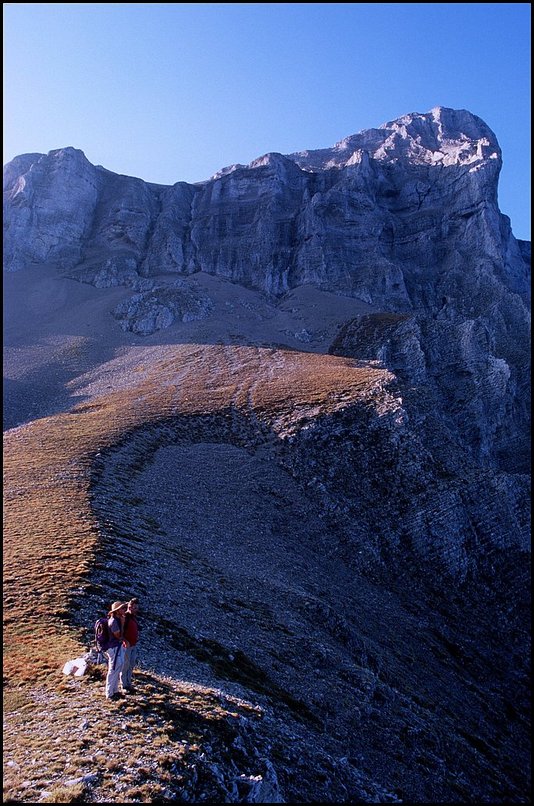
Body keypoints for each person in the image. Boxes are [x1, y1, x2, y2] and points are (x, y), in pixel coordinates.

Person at [105, 601, 127, 701]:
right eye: (122, 608)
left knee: (118, 667)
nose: (124, 610)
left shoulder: (116, 619)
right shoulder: (114, 621)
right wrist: (122, 624)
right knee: (113, 669)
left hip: (117, 647)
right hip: (114, 648)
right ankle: (109, 693)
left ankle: (114, 691)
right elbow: (118, 635)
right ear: (117, 611)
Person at [121, 598, 140, 693]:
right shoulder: (125, 617)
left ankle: (128, 683)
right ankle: (124, 684)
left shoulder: (133, 617)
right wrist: (124, 640)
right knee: (125, 664)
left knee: (131, 664)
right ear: (129, 606)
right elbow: (120, 632)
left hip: (133, 644)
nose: (135, 609)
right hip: (126, 645)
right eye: (133, 607)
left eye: (136, 607)